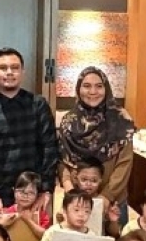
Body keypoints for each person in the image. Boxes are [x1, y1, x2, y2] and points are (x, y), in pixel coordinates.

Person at [0, 47, 59, 217]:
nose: (9, 72)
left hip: (36, 198)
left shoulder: (38, 106)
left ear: (22, 72)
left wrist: (46, 190)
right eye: (3, 68)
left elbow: (50, 149)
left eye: (15, 68)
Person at [58, 66, 135, 226]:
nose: (93, 91)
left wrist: (107, 196)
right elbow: (62, 159)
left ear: (106, 89)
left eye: (99, 86)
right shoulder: (69, 121)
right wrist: (69, 188)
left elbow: (124, 163)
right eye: (86, 86)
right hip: (77, 202)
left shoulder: (121, 120)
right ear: (78, 89)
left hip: (112, 201)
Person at [0, 171, 51, 239]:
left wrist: (28, 220)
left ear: (37, 195)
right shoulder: (8, 212)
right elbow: (1, 235)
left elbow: (45, 236)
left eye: (31, 193)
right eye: (21, 191)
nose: (25, 196)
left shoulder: (41, 213)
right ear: (14, 190)